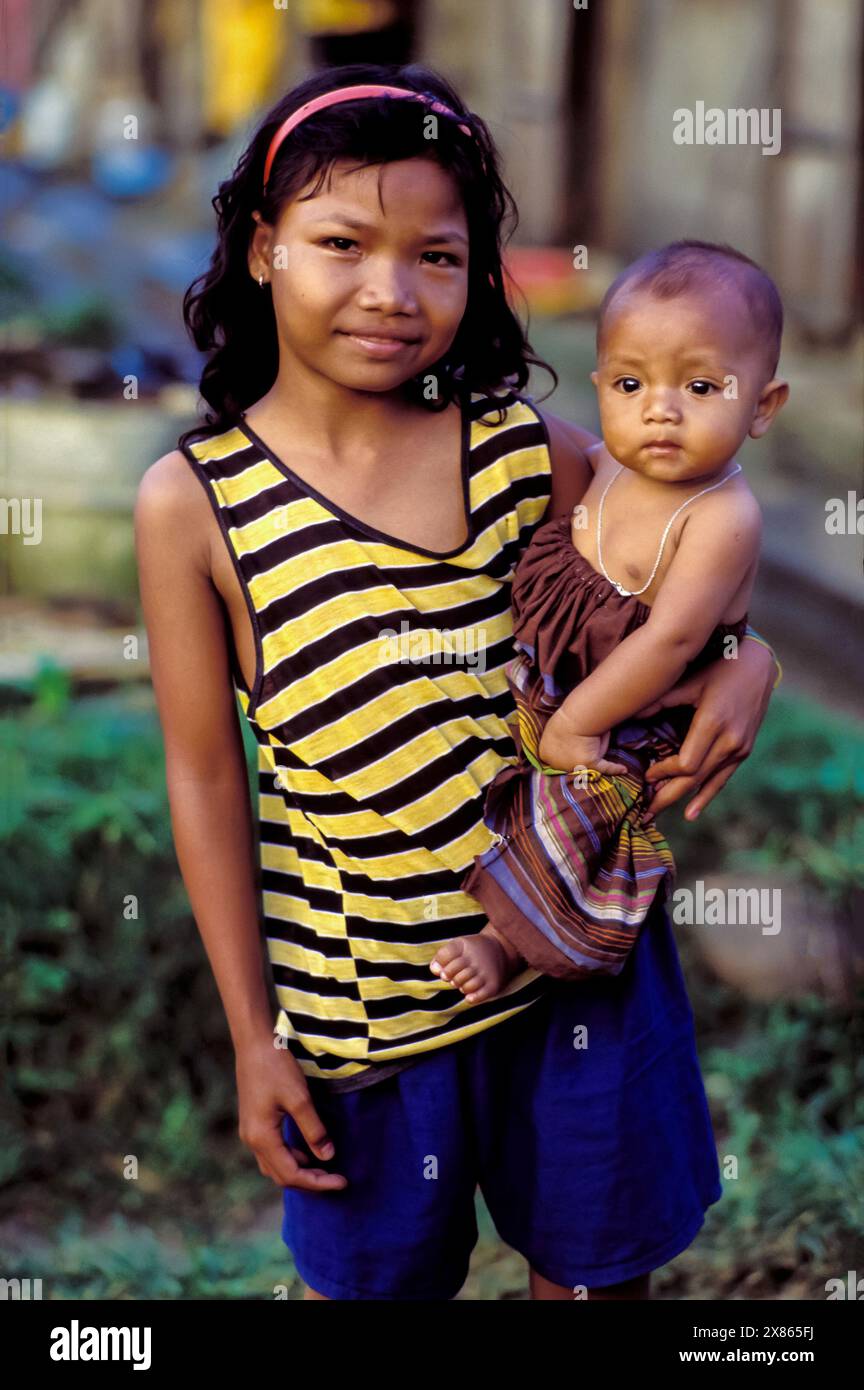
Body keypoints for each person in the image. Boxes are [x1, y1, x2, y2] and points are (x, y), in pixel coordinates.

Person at [134, 64, 782, 1301]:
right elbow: (204, 773)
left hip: (577, 961)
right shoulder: (196, 505)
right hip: (363, 1007)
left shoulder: (526, 450)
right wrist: (252, 1033)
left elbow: (699, 541)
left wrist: (754, 657)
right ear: (264, 249)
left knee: (595, 1280)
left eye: (436, 254)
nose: (390, 292)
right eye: (341, 242)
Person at [439, 241, 788, 994]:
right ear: (601, 387)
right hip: (554, 691)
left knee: (575, 823)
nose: (659, 410)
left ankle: (508, 943)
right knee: (522, 801)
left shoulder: (721, 516)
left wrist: (578, 722)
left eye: (700, 386)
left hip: (625, 716)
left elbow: (675, 639)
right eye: (630, 384)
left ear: (762, 406)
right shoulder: (605, 464)